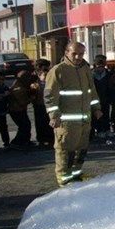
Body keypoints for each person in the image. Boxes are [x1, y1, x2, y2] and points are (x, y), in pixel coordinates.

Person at [45, 42, 103, 186]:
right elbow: (50, 96)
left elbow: (91, 91)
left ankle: (76, 174)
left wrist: (97, 108)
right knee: (65, 150)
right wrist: (54, 116)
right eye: (74, 53)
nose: (78, 57)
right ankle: (64, 178)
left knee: (81, 149)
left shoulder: (85, 69)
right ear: (66, 52)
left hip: (84, 119)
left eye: (81, 54)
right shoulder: (58, 70)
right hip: (66, 122)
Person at [9, 70, 35, 149]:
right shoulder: (19, 88)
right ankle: (17, 142)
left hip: (19, 109)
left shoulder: (20, 85)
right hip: (16, 110)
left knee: (26, 125)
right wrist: (32, 98)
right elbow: (23, 102)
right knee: (24, 126)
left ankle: (25, 141)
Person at [32, 59, 54, 147]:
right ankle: (41, 139)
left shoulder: (50, 75)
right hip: (39, 104)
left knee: (49, 122)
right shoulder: (34, 78)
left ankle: (50, 139)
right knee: (40, 122)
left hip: (49, 104)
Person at [91, 55, 111, 138]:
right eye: (98, 65)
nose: (100, 67)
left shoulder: (108, 74)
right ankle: (99, 130)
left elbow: (110, 87)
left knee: (106, 114)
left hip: (106, 97)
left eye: (102, 65)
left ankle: (107, 129)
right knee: (97, 114)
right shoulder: (91, 75)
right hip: (96, 97)